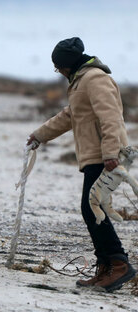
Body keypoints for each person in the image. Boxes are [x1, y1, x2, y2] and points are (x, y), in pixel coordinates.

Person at [27, 37, 136, 292]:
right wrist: (40, 135)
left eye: (58, 67)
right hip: (95, 154)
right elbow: (70, 115)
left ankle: (119, 265)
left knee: (91, 209)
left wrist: (110, 152)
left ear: (66, 65)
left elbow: (110, 116)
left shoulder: (94, 79)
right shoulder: (80, 82)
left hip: (105, 155)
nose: (59, 72)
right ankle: (106, 268)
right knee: (91, 209)